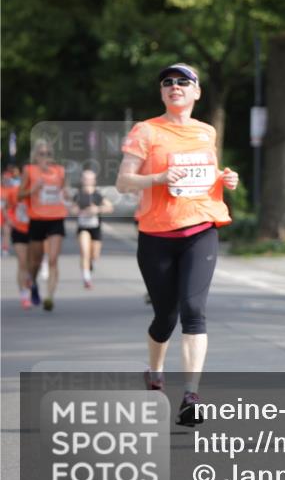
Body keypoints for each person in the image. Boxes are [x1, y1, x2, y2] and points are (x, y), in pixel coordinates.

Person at [116, 63, 238, 427]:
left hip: (201, 229)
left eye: (183, 81)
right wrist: (159, 177)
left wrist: (225, 178)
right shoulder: (146, 131)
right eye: (167, 82)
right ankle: (155, 372)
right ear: (162, 93)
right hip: (157, 235)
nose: (175, 86)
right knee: (165, 316)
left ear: (196, 92)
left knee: (193, 309)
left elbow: (206, 175)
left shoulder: (206, 132)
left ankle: (191, 396)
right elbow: (123, 182)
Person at [18, 139, 68, 311]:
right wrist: (33, 189)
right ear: (35, 156)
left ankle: (49, 297)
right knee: (35, 261)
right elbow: (19, 195)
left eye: (48, 154)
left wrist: (66, 194)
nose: (45, 157)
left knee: (53, 259)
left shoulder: (60, 171)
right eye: (42, 154)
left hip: (56, 218)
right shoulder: (29, 170)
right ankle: (32, 282)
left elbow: (64, 192)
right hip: (37, 219)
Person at [70, 169, 113, 289]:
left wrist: (97, 209)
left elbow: (110, 207)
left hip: (95, 228)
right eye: (86, 179)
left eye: (90, 179)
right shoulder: (78, 195)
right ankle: (87, 278)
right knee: (85, 252)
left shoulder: (98, 195)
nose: (88, 181)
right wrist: (77, 211)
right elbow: (72, 209)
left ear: (94, 181)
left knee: (94, 255)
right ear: (82, 180)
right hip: (83, 228)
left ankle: (90, 264)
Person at [3, 165, 33, 308]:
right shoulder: (14, 191)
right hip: (19, 229)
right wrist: (10, 220)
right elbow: (6, 208)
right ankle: (24, 295)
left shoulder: (37, 192)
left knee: (31, 263)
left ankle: (30, 279)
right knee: (22, 262)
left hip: (35, 230)